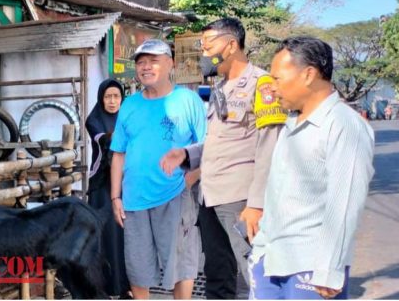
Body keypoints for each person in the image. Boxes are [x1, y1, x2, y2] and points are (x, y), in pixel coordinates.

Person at [160, 18, 287, 299]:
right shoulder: (219, 89)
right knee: (218, 273)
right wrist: (187, 154)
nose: (204, 51)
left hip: (241, 199)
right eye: (201, 45)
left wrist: (257, 204)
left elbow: (270, 148)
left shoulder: (262, 84)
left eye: (208, 44)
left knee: (254, 273)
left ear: (231, 45)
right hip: (210, 196)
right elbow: (219, 142)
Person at [249, 36, 375, 299]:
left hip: (310, 269)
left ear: (308, 74)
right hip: (270, 260)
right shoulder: (291, 123)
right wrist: (258, 254)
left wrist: (329, 269)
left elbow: (344, 203)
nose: (271, 88)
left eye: (277, 79)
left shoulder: (343, 125)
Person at [110, 39, 206, 299]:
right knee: (137, 263)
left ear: (170, 64)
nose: (146, 67)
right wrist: (115, 196)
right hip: (133, 199)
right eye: (141, 62)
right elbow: (118, 153)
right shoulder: (129, 104)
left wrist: (188, 182)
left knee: (181, 261)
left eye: (153, 61)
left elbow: (206, 148)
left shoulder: (188, 100)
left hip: (175, 194)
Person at [85, 78, 130, 298]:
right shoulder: (93, 119)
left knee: (128, 237)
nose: (112, 101)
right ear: (101, 98)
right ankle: (106, 286)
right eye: (108, 97)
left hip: (128, 183)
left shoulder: (128, 117)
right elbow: (107, 142)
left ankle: (127, 286)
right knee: (107, 236)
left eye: (116, 96)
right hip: (103, 186)